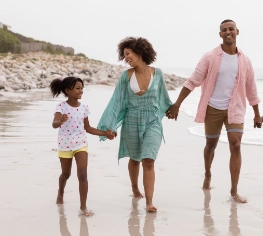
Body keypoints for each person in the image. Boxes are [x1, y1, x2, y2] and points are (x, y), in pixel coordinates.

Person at [166, 19, 262, 203]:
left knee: (235, 145)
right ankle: (208, 174)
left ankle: (234, 191)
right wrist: (177, 104)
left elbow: (251, 88)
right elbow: (193, 81)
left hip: (236, 109)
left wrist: (257, 113)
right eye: (224, 30)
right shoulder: (210, 57)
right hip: (213, 108)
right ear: (220, 34)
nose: (228, 32)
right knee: (211, 145)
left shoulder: (245, 61)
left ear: (237, 32)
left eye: (231, 29)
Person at [97, 37, 173, 212]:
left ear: (139, 51)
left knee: (148, 160)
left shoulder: (158, 73)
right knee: (135, 158)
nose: (126, 58)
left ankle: (149, 202)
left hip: (152, 121)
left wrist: (171, 109)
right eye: (124, 55)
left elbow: (163, 97)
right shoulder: (126, 76)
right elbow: (116, 101)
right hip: (131, 120)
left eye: (128, 53)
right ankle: (134, 188)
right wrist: (111, 125)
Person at [50, 76, 114, 216]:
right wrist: (60, 121)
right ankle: (60, 192)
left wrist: (105, 133)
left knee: (83, 174)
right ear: (68, 90)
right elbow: (54, 124)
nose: (81, 91)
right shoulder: (61, 107)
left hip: (81, 144)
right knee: (66, 174)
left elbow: (88, 128)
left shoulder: (84, 107)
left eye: (82, 88)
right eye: (78, 88)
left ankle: (83, 207)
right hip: (65, 145)